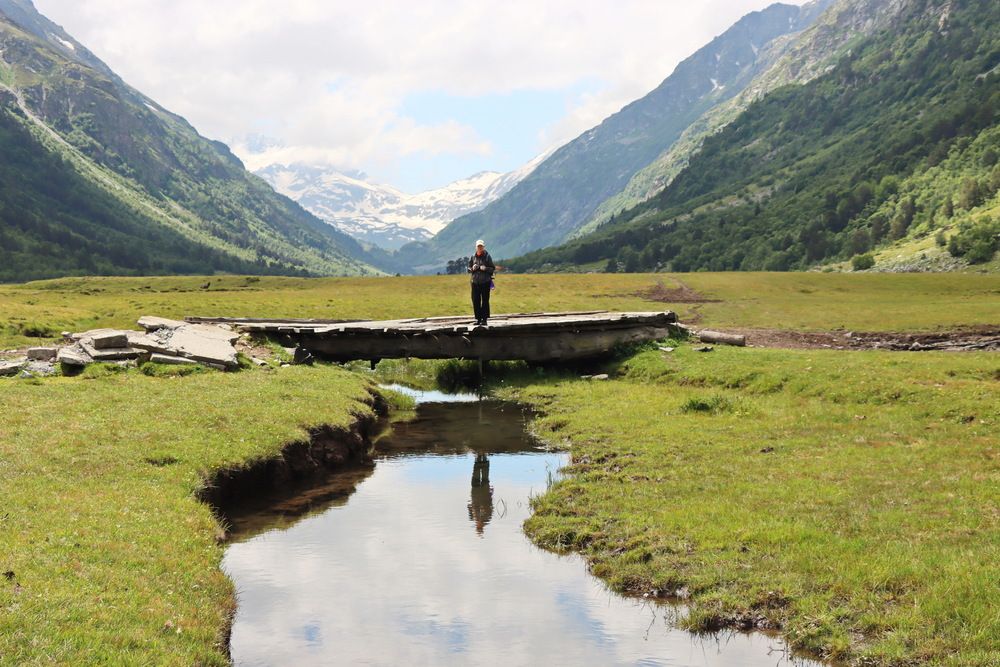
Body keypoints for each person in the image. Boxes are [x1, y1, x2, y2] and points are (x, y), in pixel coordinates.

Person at [467, 239, 495, 326]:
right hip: (475, 282)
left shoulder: (487, 256)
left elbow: (492, 269)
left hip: (485, 282)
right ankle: (478, 319)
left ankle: (484, 319)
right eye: (478, 246)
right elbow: (468, 269)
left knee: (485, 301)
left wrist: (485, 268)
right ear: (476, 247)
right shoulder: (472, 257)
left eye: (481, 246)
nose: (480, 248)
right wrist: (472, 268)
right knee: (475, 300)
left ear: (483, 247)